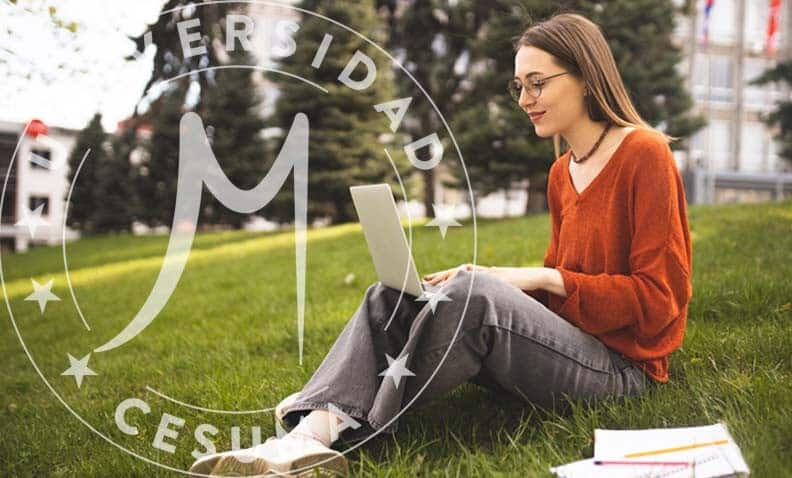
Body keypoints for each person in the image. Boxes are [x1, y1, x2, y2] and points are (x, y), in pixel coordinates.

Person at [189, 12, 692, 477]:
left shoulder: (644, 154)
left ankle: (348, 420)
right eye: (519, 85)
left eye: (538, 84)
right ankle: (304, 436)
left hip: (623, 372)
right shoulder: (563, 172)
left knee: (475, 294)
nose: (524, 99)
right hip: (569, 351)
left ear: (585, 77)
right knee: (393, 295)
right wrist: (498, 282)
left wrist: (531, 279)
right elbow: (562, 305)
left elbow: (660, 303)